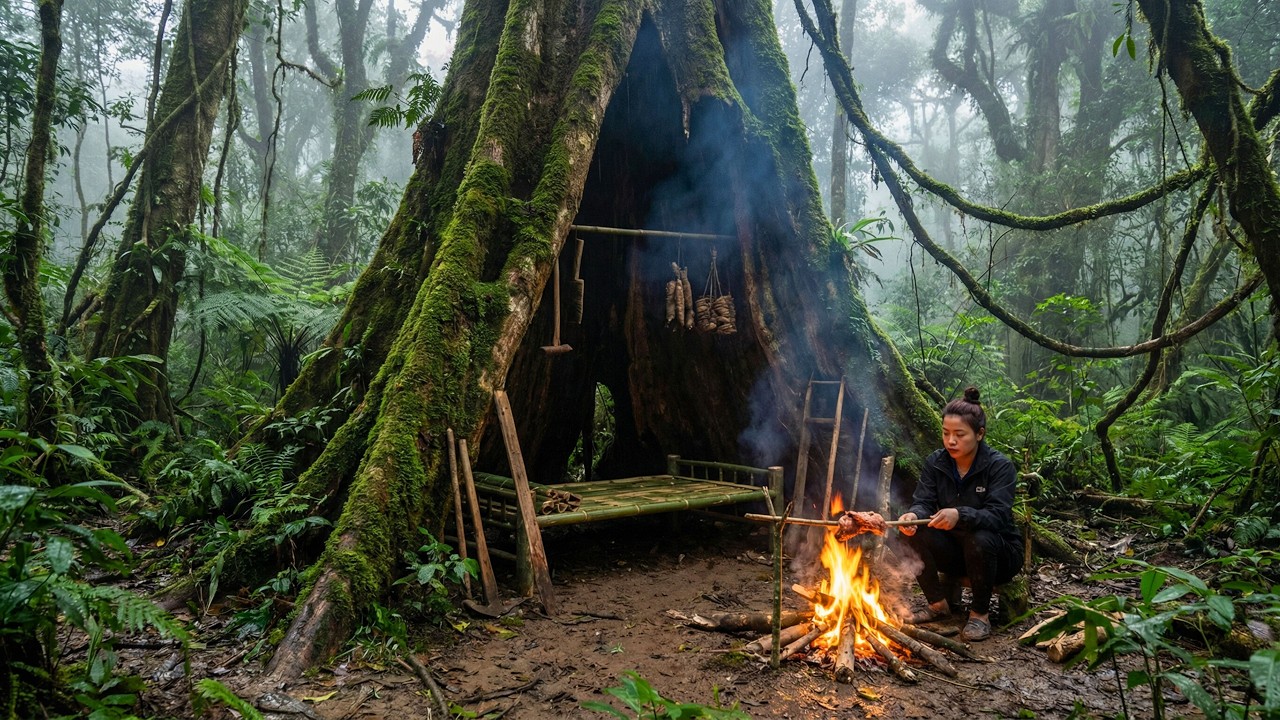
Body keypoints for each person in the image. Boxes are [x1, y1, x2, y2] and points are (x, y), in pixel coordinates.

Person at [894, 386, 1022, 642]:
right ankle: (937, 604)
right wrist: (913, 516)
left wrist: (960, 515)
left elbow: (998, 516)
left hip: (998, 556)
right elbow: (923, 502)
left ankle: (980, 614)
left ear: (979, 434)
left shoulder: (999, 466)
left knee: (980, 538)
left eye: (959, 434)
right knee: (909, 532)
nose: (951, 441)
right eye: (946, 433)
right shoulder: (936, 462)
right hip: (955, 553)